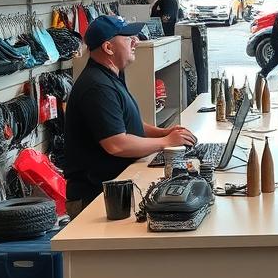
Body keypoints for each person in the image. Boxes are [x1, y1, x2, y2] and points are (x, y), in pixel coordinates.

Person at [63, 14, 196, 217]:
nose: (136, 41)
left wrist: (163, 132)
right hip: (94, 197)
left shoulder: (111, 75)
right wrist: (166, 142)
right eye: (127, 38)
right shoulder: (97, 87)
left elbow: (127, 124)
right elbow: (117, 144)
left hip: (114, 188)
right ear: (108, 47)